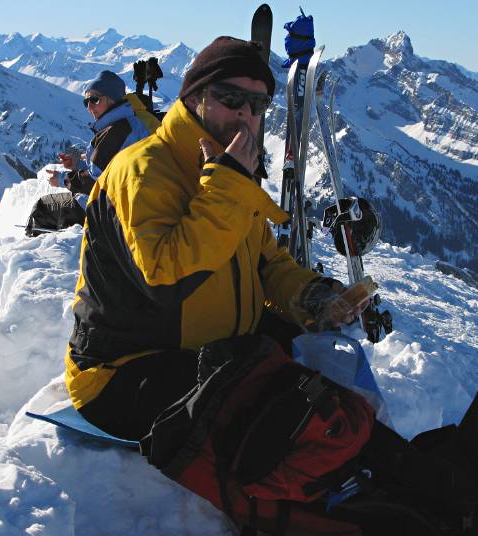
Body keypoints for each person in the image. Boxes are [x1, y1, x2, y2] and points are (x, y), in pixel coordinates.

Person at [64, 37, 358, 439]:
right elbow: (166, 279)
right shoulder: (143, 172)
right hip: (126, 370)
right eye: (230, 97)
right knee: (278, 417)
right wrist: (228, 186)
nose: (245, 112)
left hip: (209, 346)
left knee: (332, 383)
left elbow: (267, 264)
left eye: (257, 105)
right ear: (193, 99)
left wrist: (312, 295)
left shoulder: (229, 174)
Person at [47, 69, 160, 196]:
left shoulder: (118, 132)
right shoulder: (134, 119)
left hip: (130, 204)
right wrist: (78, 164)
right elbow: (107, 167)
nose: (89, 106)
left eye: (94, 99)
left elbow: (95, 182)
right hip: (142, 195)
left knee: (44, 208)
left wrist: (62, 180)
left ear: (111, 99)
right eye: (86, 102)